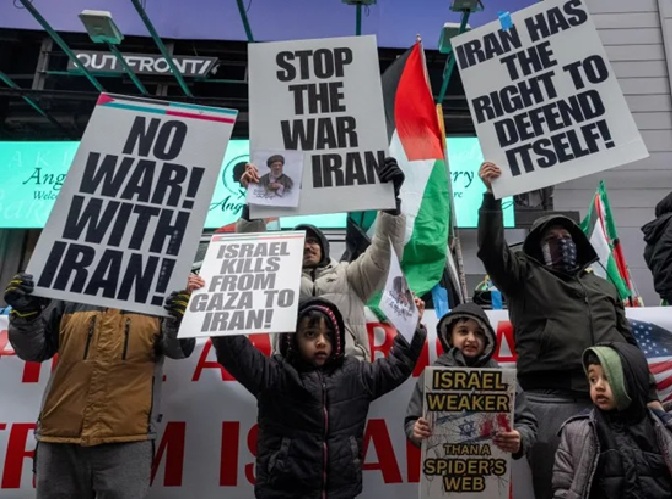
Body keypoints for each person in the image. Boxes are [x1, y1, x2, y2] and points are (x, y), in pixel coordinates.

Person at [475, 162, 660, 499]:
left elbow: (628, 344)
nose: (560, 242)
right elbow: (490, 251)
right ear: (537, 247)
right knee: (556, 487)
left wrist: (650, 394)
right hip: (550, 401)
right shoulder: (524, 277)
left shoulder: (604, 286)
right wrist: (491, 197)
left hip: (612, 401)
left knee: (616, 485)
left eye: (566, 237)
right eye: (550, 238)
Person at [2, 272, 203, 499]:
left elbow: (178, 349)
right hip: (60, 436)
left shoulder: (162, 292)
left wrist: (180, 318)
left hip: (127, 439)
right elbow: (32, 350)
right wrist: (25, 315)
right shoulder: (67, 289)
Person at [209, 296, 425, 499]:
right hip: (283, 491)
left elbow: (398, 365)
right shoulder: (275, 375)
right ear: (293, 337)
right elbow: (233, 351)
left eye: (328, 335)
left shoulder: (355, 376)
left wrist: (412, 327)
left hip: (341, 491)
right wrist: (215, 306)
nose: (321, 342)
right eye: (311, 334)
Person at [235, 157, 407, 362]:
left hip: (349, 375)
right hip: (290, 376)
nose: (307, 246)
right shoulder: (277, 279)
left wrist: (391, 203)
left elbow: (384, 254)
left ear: (324, 248)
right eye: (301, 242)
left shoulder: (349, 276)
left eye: (313, 241)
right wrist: (252, 205)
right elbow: (251, 253)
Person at [552, 343, 672, 499]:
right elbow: (563, 490)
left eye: (608, 378)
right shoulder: (576, 433)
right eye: (593, 379)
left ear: (632, 380)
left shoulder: (671, 430)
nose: (599, 386)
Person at [405, 302, 538, 459]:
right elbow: (411, 420)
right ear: (450, 336)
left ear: (487, 338)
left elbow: (528, 423)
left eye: (479, 333)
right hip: (443, 472)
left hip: (489, 473)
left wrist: (520, 438)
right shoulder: (431, 376)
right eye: (463, 331)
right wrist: (416, 431)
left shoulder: (501, 379)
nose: (471, 339)